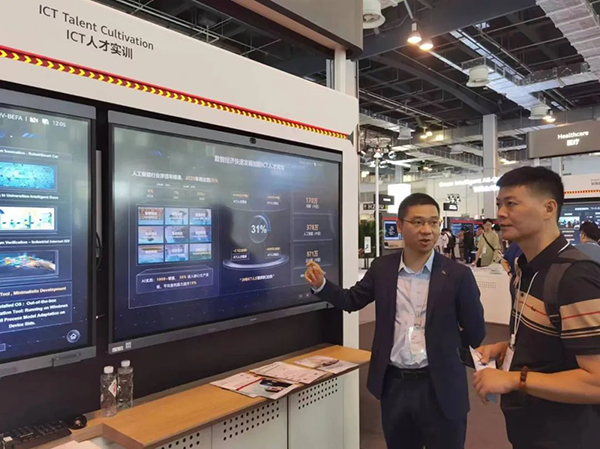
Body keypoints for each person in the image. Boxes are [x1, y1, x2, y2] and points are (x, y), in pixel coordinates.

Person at [305, 193, 485, 449]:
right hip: (395, 385)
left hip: (441, 386)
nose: (427, 230)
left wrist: (448, 351)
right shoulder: (383, 268)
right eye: (418, 222)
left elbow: (476, 331)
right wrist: (321, 284)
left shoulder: (458, 275)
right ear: (400, 225)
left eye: (433, 222)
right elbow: (351, 300)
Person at [473, 167, 600, 448]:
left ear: (548, 208)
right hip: (529, 427)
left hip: (566, 435)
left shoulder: (575, 277)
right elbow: (557, 340)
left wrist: (514, 380)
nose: (501, 213)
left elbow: (597, 381)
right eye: (499, 204)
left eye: (511, 203)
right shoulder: (525, 269)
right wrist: (507, 347)